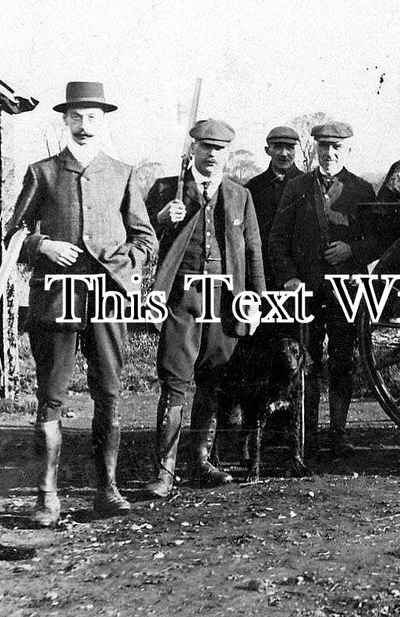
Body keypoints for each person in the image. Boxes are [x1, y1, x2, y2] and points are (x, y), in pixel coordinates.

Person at [3, 81, 157, 525]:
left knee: (108, 391)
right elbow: (12, 235)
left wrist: (122, 263)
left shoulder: (123, 173)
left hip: (108, 300)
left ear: (103, 122)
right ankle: (46, 497)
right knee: (50, 396)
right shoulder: (42, 172)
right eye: (76, 117)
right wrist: (42, 246)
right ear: (64, 121)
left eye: (93, 118)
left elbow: (144, 239)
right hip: (55, 299)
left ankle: (106, 490)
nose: (85, 126)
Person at [143, 119, 265, 496]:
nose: (212, 155)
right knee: (176, 378)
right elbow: (142, 235)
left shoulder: (239, 195)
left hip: (225, 298)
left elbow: (252, 250)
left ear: (228, 153)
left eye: (220, 149)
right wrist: (163, 219)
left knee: (214, 377)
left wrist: (255, 300)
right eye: (206, 147)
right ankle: (164, 471)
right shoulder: (168, 189)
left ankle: (201, 461)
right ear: (192, 148)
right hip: (182, 298)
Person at [268, 121, 379, 456]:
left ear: (348, 150)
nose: (330, 154)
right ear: (315, 148)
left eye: (337, 148)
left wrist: (353, 251)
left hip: (347, 292)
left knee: (343, 361)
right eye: (324, 148)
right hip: (308, 292)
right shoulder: (298, 187)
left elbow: (377, 241)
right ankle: (308, 432)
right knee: (308, 359)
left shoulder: (362, 189)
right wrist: (290, 277)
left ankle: (339, 432)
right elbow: (276, 239)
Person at [245, 125, 304, 275]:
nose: (284, 154)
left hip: (300, 271)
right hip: (264, 270)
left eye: (290, 148)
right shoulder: (252, 188)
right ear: (267, 150)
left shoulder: (309, 185)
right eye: (278, 147)